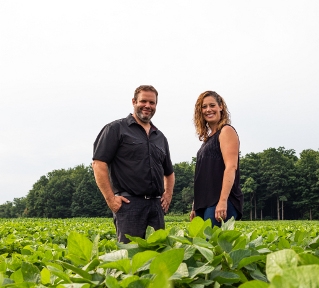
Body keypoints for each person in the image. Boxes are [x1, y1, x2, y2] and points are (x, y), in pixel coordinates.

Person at [92, 85, 175, 243]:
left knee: (157, 258)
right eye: (143, 101)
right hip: (129, 205)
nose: (147, 106)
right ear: (134, 102)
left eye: (152, 102)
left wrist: (168, 194)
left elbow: (169, 172)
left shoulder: (160, 137)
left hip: (156, 207)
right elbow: (98, 164)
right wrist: (111, 199)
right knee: (131, 260)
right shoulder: (116, 129)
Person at [190, 91, 243, 227]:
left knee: (214, 245)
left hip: (220, 202)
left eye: (212, 105)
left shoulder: (226, 131)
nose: (208, 110)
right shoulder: (208, 139)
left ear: (221, 107)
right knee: (202, 245)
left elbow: (231, 167)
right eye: (204, 107)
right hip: (204, 203)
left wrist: (223, 201)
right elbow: (204, 174)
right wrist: (195, 205)